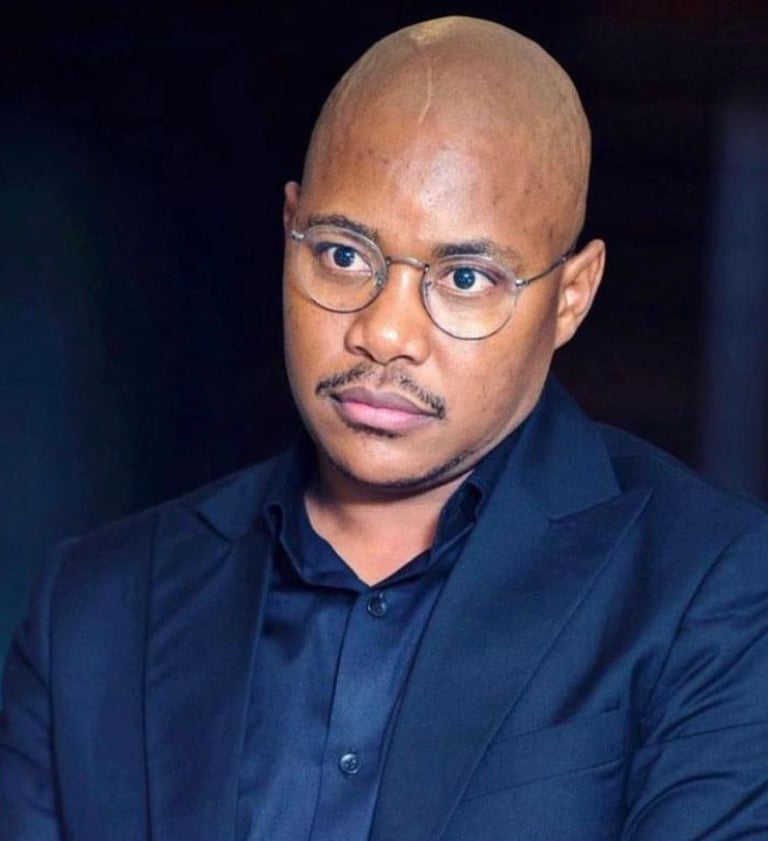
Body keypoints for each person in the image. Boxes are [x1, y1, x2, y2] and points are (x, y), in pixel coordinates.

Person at [2, 16, 768, 841]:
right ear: (289, 230)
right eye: (342, 256)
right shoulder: (95, 607)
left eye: (465, 277)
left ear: (571, 296)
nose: (385, 331)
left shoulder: (708, 588)